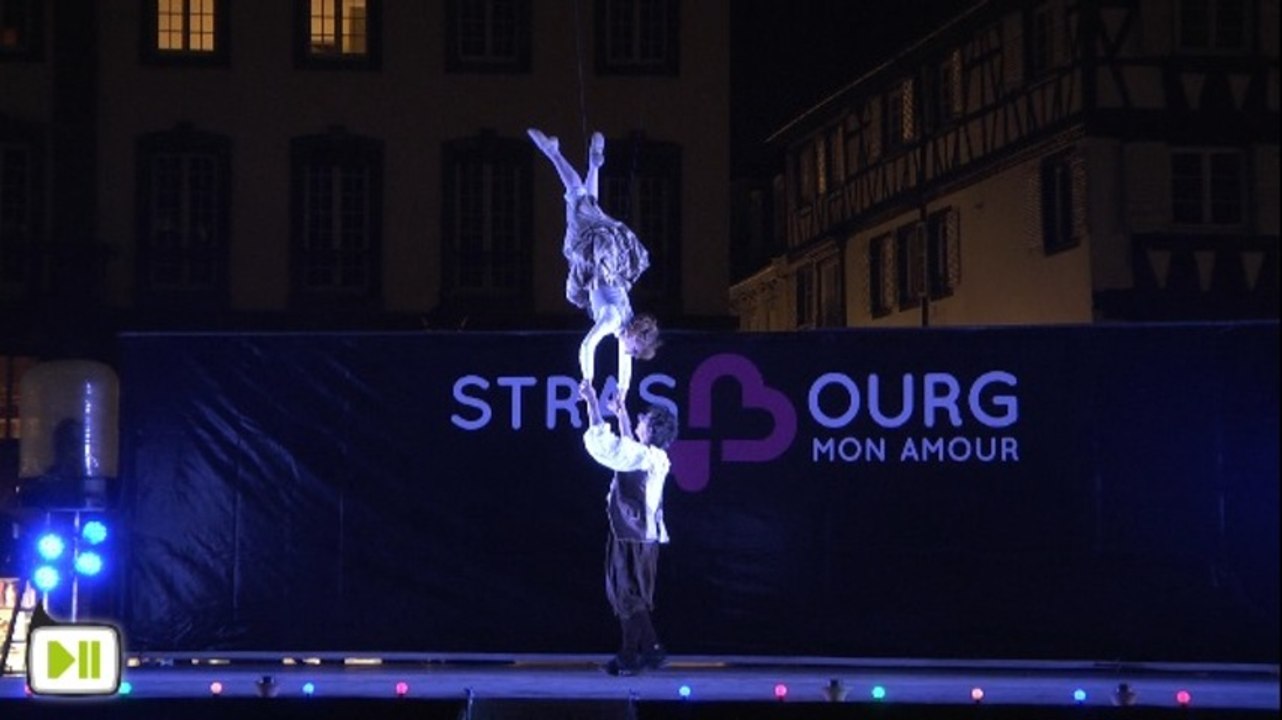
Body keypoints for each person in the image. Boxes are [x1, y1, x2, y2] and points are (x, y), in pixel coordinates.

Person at [529, 127, 661, 402]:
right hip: (592, 254)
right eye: (634, 349)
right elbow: (587, 345)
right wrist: (587, 381)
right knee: (576, 195)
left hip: (606, 255)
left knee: (588, 202)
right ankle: (553, 152)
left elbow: (624, 363)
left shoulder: (626, 317)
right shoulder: (614, 318)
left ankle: (594, 163)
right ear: (636, 337)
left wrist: (623, 394)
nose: (629, 352)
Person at [578, 378, 679, 676]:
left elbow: (609, 446)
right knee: (629, 593)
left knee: (627, 594)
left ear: (651, 430)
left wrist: (592, 403)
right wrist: (621, 413)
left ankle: (651, 648)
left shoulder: (642, 456)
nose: (639, 420)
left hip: (631, 535)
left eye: (643, 420)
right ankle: (629, 654)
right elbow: (628, 449)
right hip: (640, 535)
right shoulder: (654, 456)